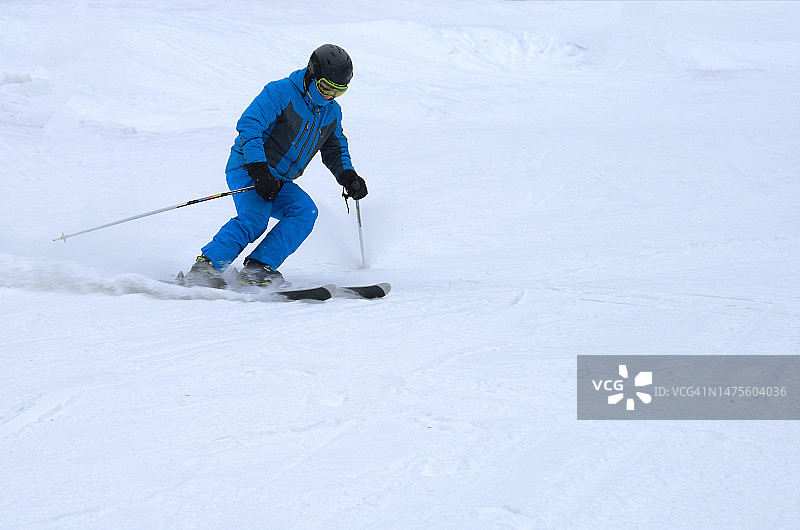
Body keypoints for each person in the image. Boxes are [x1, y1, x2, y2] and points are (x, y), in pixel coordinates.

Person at [184, 44, 367, 288]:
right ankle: (205, 268)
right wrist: (258, 170)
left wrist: (348, 176)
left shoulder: (331, 112)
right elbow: (250, 125)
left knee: (304, 212)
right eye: (325, 87)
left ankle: (258, 268)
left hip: (280, 179)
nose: (329, 96)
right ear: (312, 74)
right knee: (255, 219)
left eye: (338, 91)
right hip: (248, 168)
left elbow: (334, 147)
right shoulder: (280, 92)